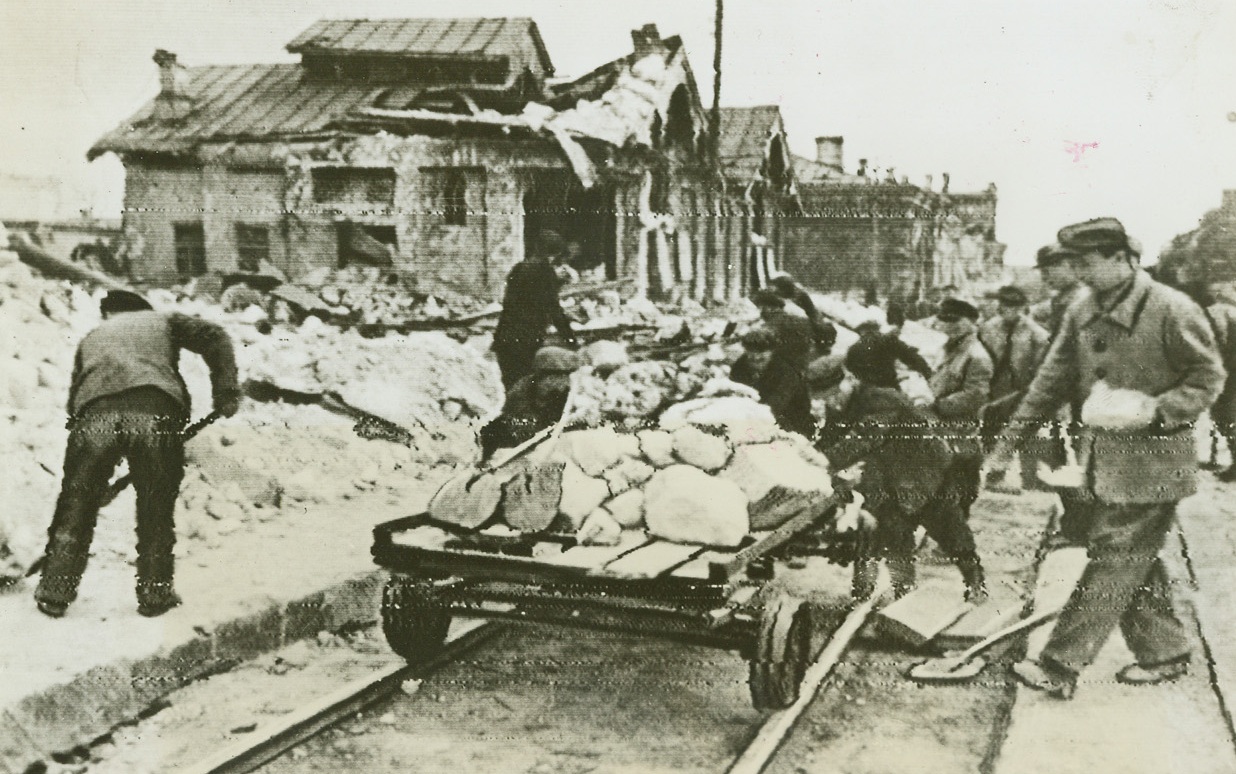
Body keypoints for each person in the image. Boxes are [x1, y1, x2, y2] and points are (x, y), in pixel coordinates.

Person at [988, 217, 1225, 699]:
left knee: (1115, 556)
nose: (1077, 273)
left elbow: (1209, 377)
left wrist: (1155, 410)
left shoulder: (1172, 309)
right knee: (1130, 558)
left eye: (1086, 263)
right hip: (1099, 459)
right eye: (1072, 263)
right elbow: (1048, 384)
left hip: (1154, 462)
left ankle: (1059, 664)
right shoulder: (1083, 308)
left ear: (1121, 258)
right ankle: (1165, 651)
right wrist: (1005, 447)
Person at [35, 290, 240, 619]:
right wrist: (226, 390)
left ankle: (54, 591)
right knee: (155, 506)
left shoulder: (92, 337)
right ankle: (154, 595)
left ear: (108, 314)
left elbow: (75, 399)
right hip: (154, 410)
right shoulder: (164, 320)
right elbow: (215, 336)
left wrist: (92, 469)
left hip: (93, 418)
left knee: (76, 504)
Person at [819, 337, 986, 602]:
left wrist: (821, 463)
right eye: (824, 398)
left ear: (848, 380)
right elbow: (830, 440)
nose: (831, 401)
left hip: (927, 472)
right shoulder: (842, 404)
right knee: (894, 536)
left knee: (950, 532)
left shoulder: (881, 399)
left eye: (833, 393)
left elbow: (863, 438)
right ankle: (902, 595)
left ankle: (975, 583)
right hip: (890, 476)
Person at [928, 297, 994, 517]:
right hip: (940, 429)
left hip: (961, 432)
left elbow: (975, 396)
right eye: (945, 320)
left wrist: (938, 405)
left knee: (960, 488)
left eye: (955, 321)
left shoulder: (977, 356)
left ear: (972, 322)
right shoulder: (947, 349)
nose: (949, 325)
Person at [493, 231, 577, 391]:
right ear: (554, 253)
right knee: (525, 386)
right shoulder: (545, 272)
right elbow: (554, 309)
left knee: (510, 387)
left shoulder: (518, 268)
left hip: (504, 337)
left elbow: (514, 302)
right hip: (526, 339)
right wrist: (570, 339)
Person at [978, 286, 1050, 451]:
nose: (1011, 310)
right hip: (992, 383)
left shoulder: (1036, 333)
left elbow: (1041, 363)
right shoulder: (988, 328)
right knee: (990, 423)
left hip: (1018, 385)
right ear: (1000, 305)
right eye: (1007, 305)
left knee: (1018, 428)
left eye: (1016, 306)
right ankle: (990, 458)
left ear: (1023, 307)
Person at [479, 346, 579, 461]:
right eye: (556, 376)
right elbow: (520, 425)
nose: (563, 382)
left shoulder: (570, 393)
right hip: (523, 441)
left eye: (565, 376)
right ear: (542, 375)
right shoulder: (521, 390)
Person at [730, 328, 815, 438]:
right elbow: (734, 391)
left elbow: (777, 403)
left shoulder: (786, 372)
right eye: (750, 351)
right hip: (753, 419)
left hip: (791, 423)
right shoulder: (740, 366)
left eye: (761, 352)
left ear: (772, 351)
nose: (755, 357)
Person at [849, 320, 933, 390]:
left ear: (861, 331)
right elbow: (912, 357)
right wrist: (928, 374)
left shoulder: (853, 348)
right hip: (886, 385)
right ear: (877, 329)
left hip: (862, 390)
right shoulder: (887, 340)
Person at [769, 274, 838, 355]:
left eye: (777, 288)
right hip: (788, 320)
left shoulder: (799, 295)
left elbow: (811, 311)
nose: (774, 290)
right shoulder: (776, 297)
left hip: (806, 318)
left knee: (821, 328)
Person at [750, 288, 815, 373]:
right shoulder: (794, 318)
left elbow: (759, 340)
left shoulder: (776, 322)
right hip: (801, 366)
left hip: (784, 370)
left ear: (769, 307)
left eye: (760, 307)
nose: (760, 312)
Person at [1031, 243, 1089, 337]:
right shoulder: (1059, 298)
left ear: (1065, 265)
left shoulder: (1083, 297)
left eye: (1046, 271)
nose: (1044, 278)